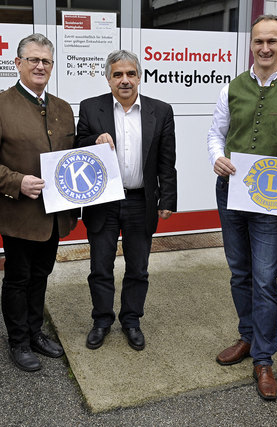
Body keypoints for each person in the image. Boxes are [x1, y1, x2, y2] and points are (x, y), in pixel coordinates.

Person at [206, 15, 277, 401]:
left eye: (271, 41)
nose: (264, 48)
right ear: (251, 45)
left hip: (272, 197)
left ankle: (264, 359)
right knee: (240, 273)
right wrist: (217, 157)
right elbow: (216, 134)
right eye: (258, 42)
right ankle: (247, 337)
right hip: (231, 188)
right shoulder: (231, 87)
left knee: (266, 278)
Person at [0, 34, 77, 372]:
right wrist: (17, 181)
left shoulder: (61, 108)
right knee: (18, 278)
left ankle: (35, 331)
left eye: (45, 61)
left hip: (54, 214)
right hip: (18, 214)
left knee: (41, 273)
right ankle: (18, 341)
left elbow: (70, 157)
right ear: (18, 64)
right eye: (33, 60)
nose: (40, 66)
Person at [76, 50, 177, 352]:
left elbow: (166, 160)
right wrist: (93, 141)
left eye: (130, 74)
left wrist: (167, 198)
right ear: (108, 78)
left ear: (139, 77)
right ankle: (102, 321)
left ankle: (131, 320)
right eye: (117, 74)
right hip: (103, 202)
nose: (124, 80)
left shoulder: (160, 111)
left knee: (138, 268)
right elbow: (75, 146)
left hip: (140, 201)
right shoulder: (91, 109)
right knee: (100, 266)